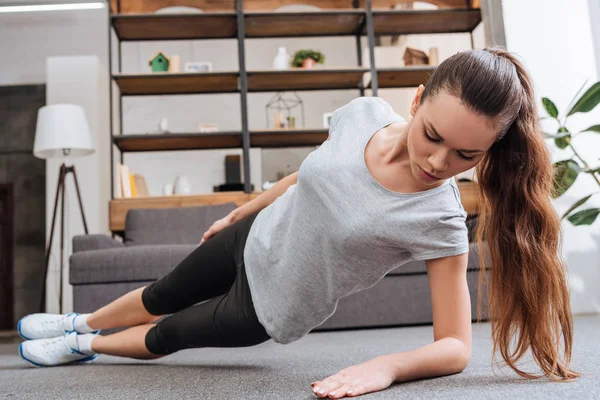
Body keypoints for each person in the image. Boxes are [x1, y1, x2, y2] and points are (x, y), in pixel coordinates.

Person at [17, 47, 580, 398]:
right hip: (252, 237)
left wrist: (388, 367)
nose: (438, 163)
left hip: (272, 305)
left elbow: (456, 345)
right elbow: (312, 172)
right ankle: (77, 319)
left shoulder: (440, 220)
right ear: (415, 102)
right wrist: (245, 208)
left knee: (169, 334)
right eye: (432, 136)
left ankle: (84, 344)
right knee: (162, 292)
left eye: (466, 156)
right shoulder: (363, 115)